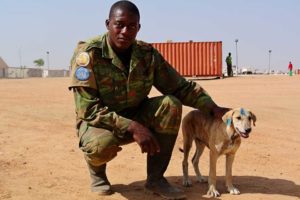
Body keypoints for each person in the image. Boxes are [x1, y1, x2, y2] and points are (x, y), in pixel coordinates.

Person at [69, 1, 228, 199]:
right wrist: (133, 127)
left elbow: (179, 86)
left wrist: (214, 108)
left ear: (139, 27)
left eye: (132, 26)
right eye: (119, 24)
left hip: (137, 111)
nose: (125, 31)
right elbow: (89, 110)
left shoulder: (147, 54)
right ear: (108, 24)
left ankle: (156, 179)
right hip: (99, 122)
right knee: (101, 146)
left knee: (171, 104)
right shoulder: (88, 54)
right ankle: (97, 173)